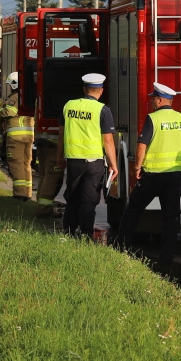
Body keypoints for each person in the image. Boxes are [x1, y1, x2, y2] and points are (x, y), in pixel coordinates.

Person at [117, 82, 181, 267]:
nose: (151, 103)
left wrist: (137, 167)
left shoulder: (153, 119)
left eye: (152, 99)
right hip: (173, 176)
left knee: (133, 210)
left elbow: (142, 145)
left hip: (152, 175)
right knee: (170, 217)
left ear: (159, 99)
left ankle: (122, 248)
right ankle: (167, 258)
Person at [59, 72, 118, 238]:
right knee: (89, 200)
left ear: (84, 89)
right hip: (94, 162)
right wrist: (113, 164)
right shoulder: (103, 110)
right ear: (101, 91)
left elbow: (61, 136)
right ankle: (86, 234)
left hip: (73, 160)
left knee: (72, 198)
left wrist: (59, 157)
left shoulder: (68, 106)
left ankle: (69, 232)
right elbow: (108, 141)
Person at [1, 74, 34, 200]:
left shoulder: (15, 97)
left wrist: (0, 110)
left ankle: (19, 194)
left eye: (10, 85)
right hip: (28, 136)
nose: (9, 88)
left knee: (16, 164)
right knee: (26, 164)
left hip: (16, 137)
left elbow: (9, 112)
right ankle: (27, 193)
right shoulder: (28, 97)